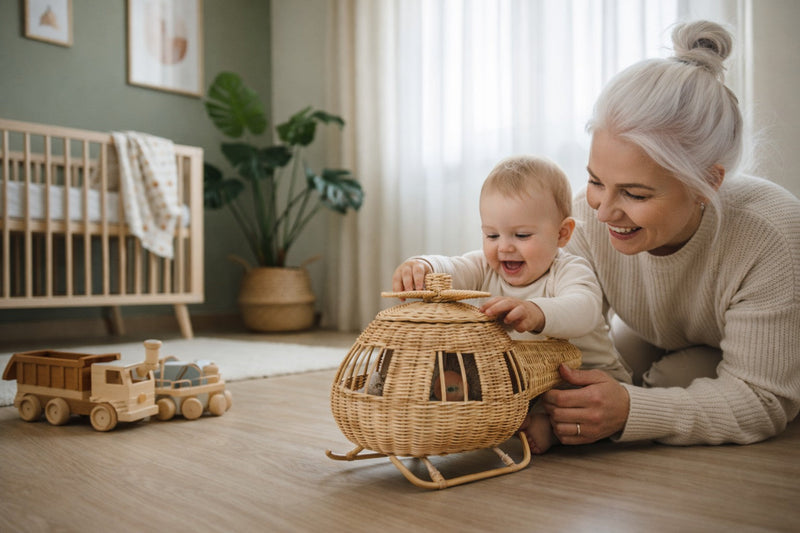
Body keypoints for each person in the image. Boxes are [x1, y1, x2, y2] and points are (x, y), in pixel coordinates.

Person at [543, 20, 800, 448]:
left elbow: (763, 399)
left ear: (707, 183)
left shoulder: (769, 233)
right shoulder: (584, 216)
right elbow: (560, 338)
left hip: (779, 353)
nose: (603, 211)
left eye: (635, 193)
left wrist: (631, 410)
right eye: (595, 181)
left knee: (665, 380)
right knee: (604, 369)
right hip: (666, 335)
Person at [392, 155, 632, 454]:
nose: (504, 246)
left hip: (583, 379)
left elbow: (584, 309)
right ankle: (450, 410)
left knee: (573, 406)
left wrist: (537, 312)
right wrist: (424, 266)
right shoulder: (484, 266)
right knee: (458, 371)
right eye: (491, 235)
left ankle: (548, 427)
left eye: (521, 235)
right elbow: (454, 267)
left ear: (562, 234)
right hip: (521, 383)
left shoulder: (570, 270)